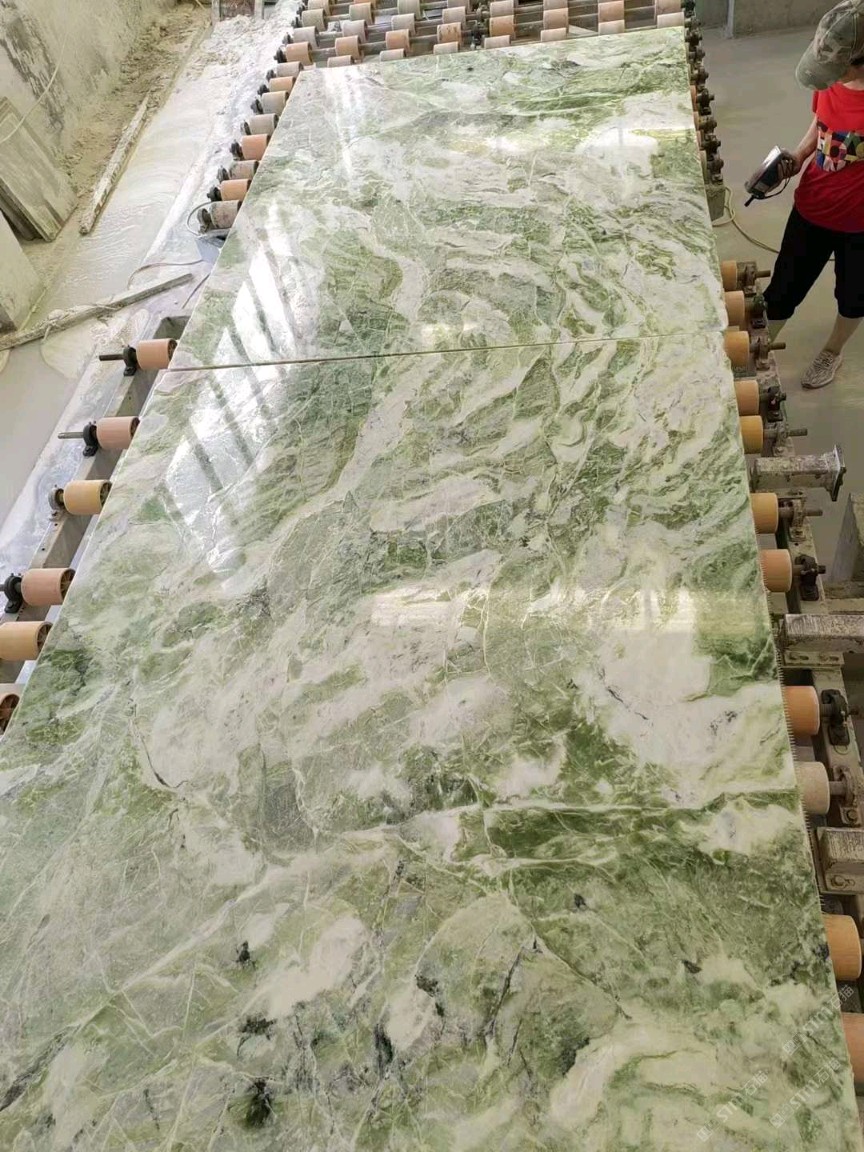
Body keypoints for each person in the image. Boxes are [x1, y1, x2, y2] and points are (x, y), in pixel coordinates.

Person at [763, 0, 864, 389]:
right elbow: (820, 124)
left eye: (837, 69)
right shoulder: (832, 83)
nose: (831, 78)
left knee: (854, 296)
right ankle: (758, 347)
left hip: (859, 225)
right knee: (783, 289)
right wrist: (798, 155)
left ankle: (832, 351)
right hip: (812, 207)